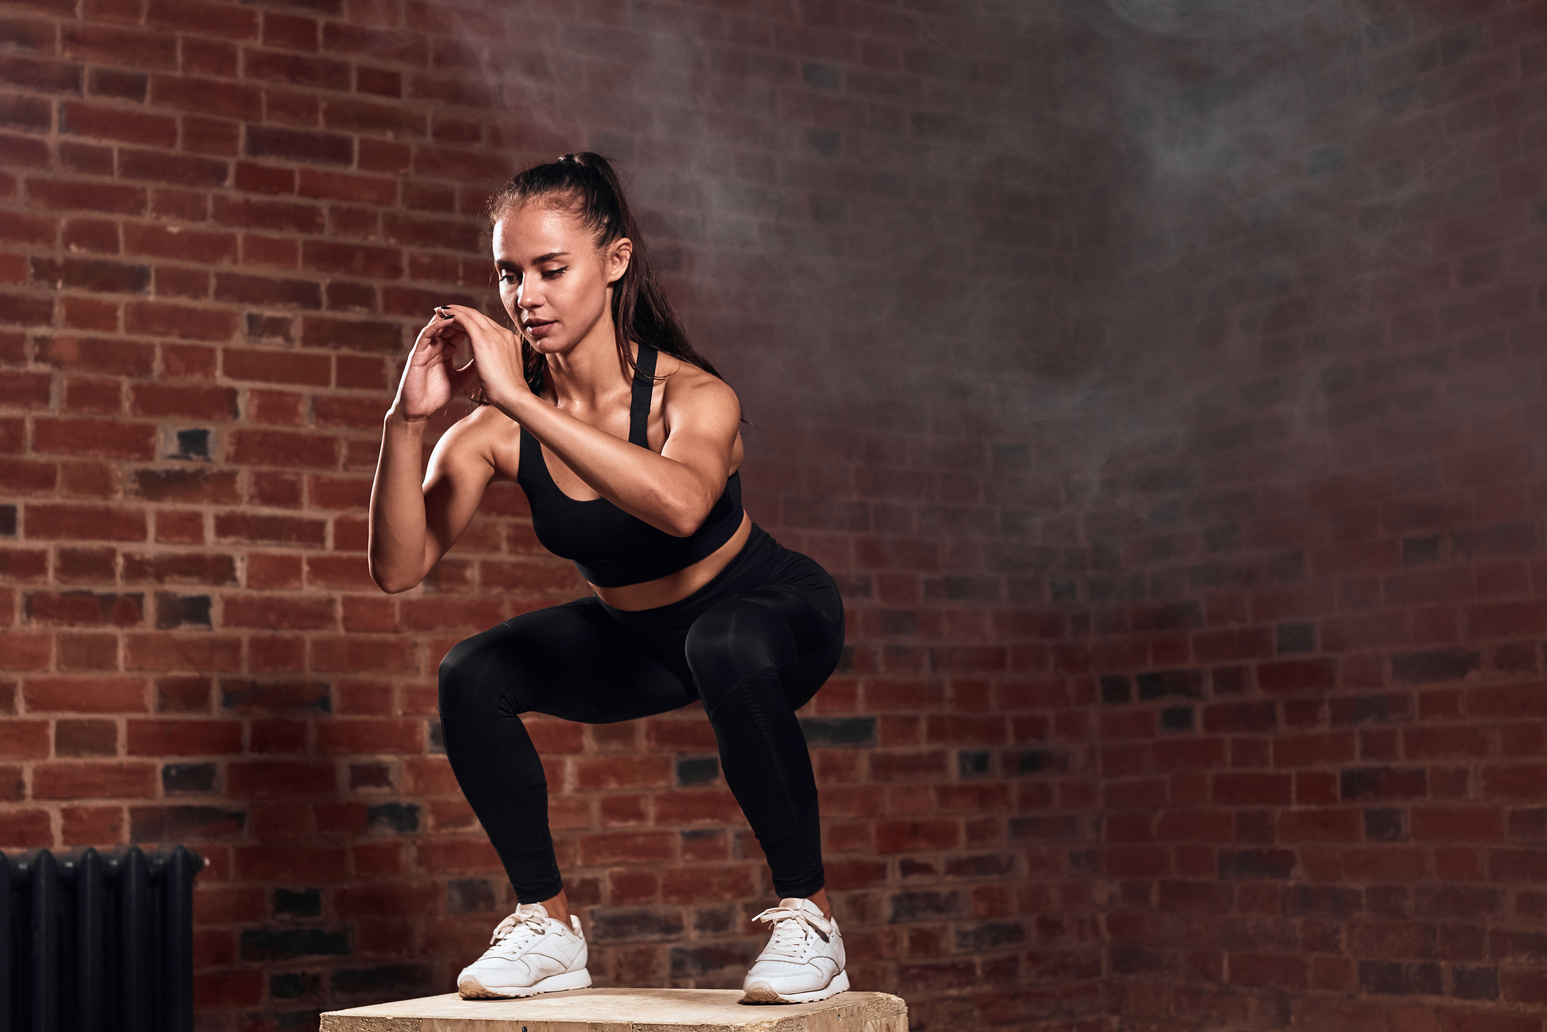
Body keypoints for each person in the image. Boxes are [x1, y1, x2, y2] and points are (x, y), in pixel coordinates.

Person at [366, 153, 849, 1004]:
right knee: (471, 672)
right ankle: (548, 925)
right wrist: (406, 424)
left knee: (723, 638)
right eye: (508, 275)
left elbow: (681, 507)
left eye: (552, 270)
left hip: (768, 615)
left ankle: (809, 919)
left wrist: (518, 399)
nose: (527, 297)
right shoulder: (494, 428)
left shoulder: (689, 395)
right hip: (641, 639)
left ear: (614, 263)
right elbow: (399, 569)